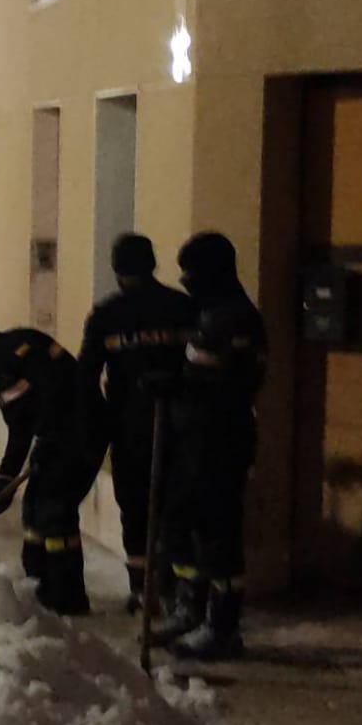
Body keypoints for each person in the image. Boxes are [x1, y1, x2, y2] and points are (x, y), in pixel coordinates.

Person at [152, 232, 268, 659]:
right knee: (179, 524)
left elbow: (237, 382)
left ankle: (222, 626)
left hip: (221, 442)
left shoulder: (237, 319)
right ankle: (190, 607)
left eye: (193, 273)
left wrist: (182, 385)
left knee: (218, 536)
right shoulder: (208, 313)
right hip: (190, 440)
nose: (186, 281)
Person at [0, 314, 95, 615]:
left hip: (83, 431)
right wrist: (4, 480)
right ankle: (39, 586)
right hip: (56, 436)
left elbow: (58, 393)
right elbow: (21, 429)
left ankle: (68, 597)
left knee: (54, 509)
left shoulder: (10, 359)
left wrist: (49, 445)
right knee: (34, 507)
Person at [77, 234, 197, 612]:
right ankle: (176, 589)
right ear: (152, 264)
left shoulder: (106, 315)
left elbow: (86, 375)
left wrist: (95, 422)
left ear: (116, 271)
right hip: (181, 427)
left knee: (135, 508)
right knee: (175, 510)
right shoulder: (182, 308)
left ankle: (144, 591)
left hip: (130, 429)